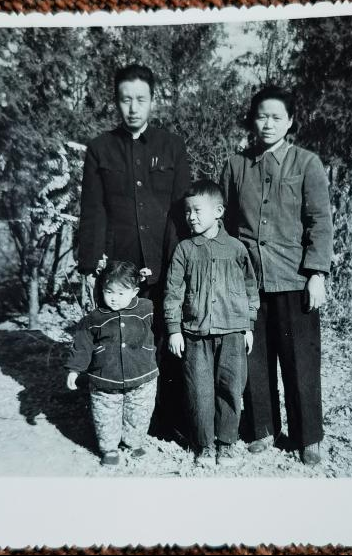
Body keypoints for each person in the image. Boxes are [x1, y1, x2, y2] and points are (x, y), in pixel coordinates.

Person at [77, 63, 191, 440]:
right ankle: (115, 420)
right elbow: (93, 210)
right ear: (116, 102)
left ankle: (164, 420)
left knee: (164, 335)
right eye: (125, 100)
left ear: (153, 101)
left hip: (165, 260)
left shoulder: (172, 146)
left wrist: (182, 262)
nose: (133, 108)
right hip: (118, 268)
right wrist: (89, 265)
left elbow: (182, 210)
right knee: (119, 341)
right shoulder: (100, 149)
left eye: (141, 99)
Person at [221, 86, 333, 465]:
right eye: (261, 116)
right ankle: (262, 429)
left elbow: (320, 222)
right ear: (252, 120)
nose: (268, 124)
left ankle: (307, 437)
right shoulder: (236, 166)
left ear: (289, 122)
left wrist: (316, 274)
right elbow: (226, 223)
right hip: (247, 280)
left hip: (294, 278)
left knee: (300, 361)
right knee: (254, 357)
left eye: (276, 117)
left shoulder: (307, 163)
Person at [164, 180, 259, 467]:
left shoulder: (237, 249)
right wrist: (174, 329)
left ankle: (226, 443)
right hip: (196, 333)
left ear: (218, 211)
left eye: (197, 210)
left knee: (231, 386)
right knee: (199, 389)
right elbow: (173, 292)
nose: (190, 217)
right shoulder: (184, 250)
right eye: (187, 211)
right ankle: (203, 444)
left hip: (233, 331)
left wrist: (248, 325)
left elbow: (250, 289)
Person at [65, 261, 158, 466]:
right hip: (105, 378)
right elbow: (82, 345)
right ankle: (109, 448)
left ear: (134, 292)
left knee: (139, 412)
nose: (114, 298)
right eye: (109, 292)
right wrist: (74, 369)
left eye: (121, 293)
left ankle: (134, 442)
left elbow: (164, 321)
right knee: (105, 414)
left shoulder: (146, 309)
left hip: (142, 374)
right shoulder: (94, 318)